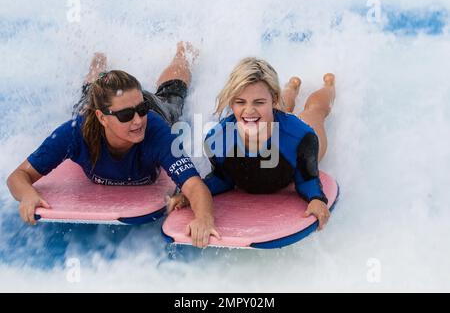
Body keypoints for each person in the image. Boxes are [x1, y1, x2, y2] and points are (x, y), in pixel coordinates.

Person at [6, 42, 220, 248]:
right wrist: (27, 194)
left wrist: (204, 218)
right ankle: (98, 63)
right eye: (126, 115)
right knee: (90, 93)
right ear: (101, 117)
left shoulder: (155, 130)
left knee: (171, 95)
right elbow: (18, 177)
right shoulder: (74, 132)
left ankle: (181, 54)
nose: (137, 120)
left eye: (141, 109)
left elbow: (194, 186)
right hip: (96, 107)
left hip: (154, 107)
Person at [168, 57, 335, 230]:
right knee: (266, 113)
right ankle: (292, 87)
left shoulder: (301, 138)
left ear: (273, 99)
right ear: (231, 102)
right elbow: (223, 179)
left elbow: (306, 180)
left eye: (259, 102)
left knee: (314, 110)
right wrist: (194, 195)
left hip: (288, 141)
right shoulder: (216, 140)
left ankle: (328, 86)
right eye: (240, 102)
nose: (248, 111)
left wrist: (317, 199)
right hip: (272, 119)